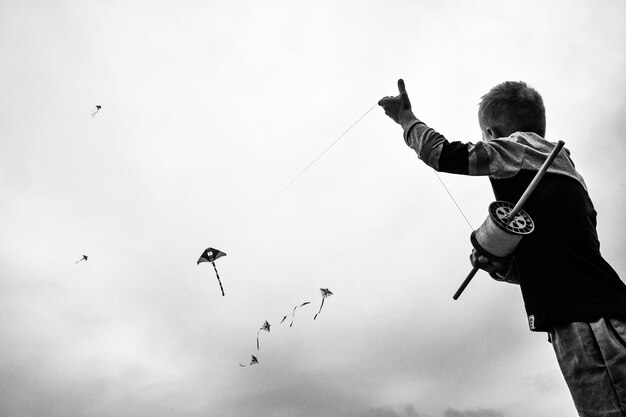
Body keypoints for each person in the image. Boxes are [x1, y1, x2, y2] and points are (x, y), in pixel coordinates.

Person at [378, 79, 626, 416]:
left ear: (492, 134)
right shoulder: (569, 174)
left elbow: (440, 154)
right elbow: (561, 257)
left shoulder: (517, 148)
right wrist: (504, 266)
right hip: (597, 317)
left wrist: (406, 119)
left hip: (590, 323)